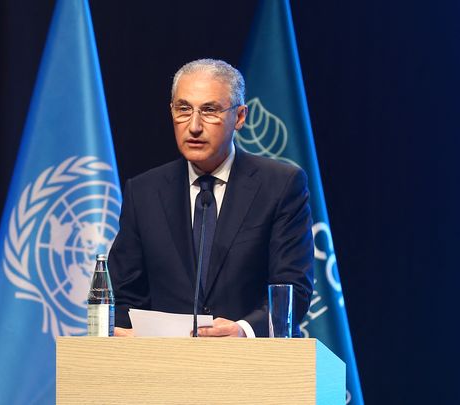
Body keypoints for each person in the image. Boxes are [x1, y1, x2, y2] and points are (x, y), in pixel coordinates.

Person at [108, 59, 313, 337]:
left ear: (240, 117)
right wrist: (128, 332)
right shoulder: (144, 192)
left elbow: (292, 289)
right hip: (165, 367)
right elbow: (124, 292)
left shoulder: (280, 185)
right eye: (183, 109)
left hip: (254, 365)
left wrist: (243, 330)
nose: (193, 126)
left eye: (209, 111)